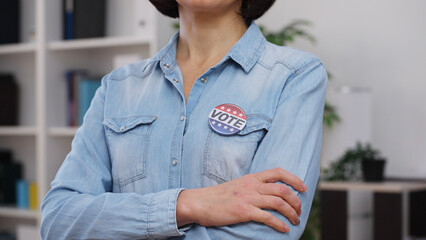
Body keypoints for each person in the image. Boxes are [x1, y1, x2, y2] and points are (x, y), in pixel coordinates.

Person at [41, 0, 328, 239]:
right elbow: (59, 219)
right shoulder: (118, 87)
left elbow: (271, 230)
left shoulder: (295, 76)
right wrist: (186, 205)